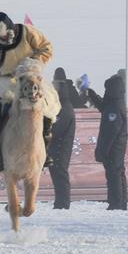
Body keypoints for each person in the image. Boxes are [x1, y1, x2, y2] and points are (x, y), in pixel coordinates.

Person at [0, 12, 56, 170]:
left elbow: (46, 47)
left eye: (2, 36)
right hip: (7, 79)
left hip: (31, 75)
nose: (1, 40)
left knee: (47, 104)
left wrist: (33, 62)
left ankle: (45, 144)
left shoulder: (27, 32)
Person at [84, 72, 128, 210]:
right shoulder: (115, 102)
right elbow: (104, 107)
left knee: (114, 174)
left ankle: (116, 202)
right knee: (118, 172)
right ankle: (120, 202)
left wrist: (103, 150)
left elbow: (111, 131)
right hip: (117, 145)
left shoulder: (114, 107)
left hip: (114, 147)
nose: (106, 92)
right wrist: (92, 95)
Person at [48, 67, 78, 209]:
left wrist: (47, 132)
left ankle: (63, 203)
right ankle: (60, 202)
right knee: (57, 174)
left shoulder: (65, 108)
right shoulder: (60, 106)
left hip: (61, 148)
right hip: (56, 148)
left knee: (61, 174)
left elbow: (57, 128)